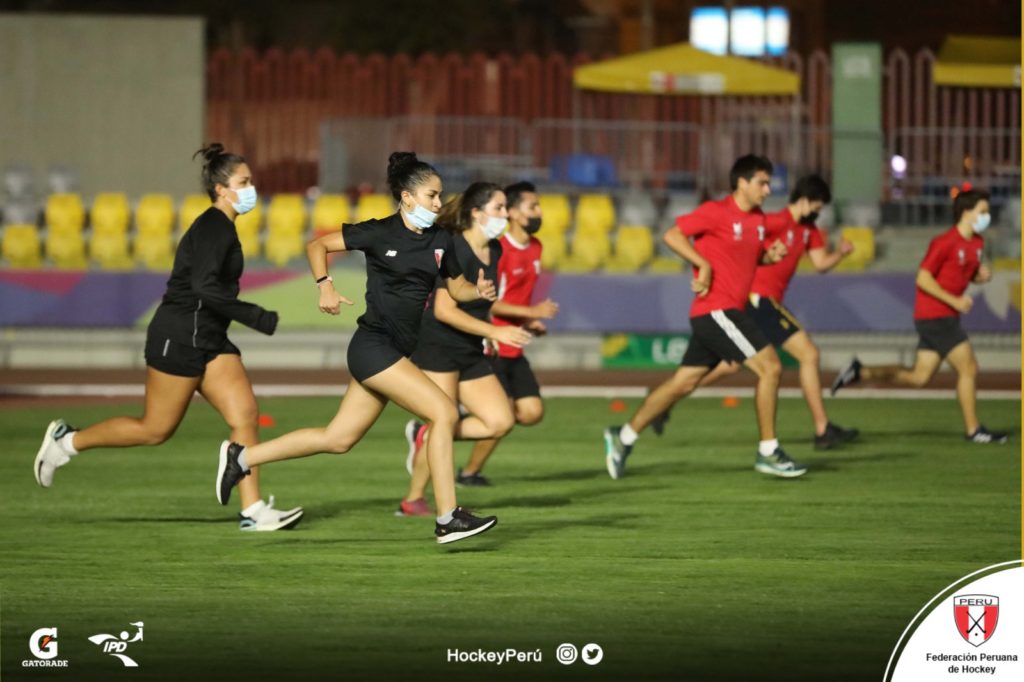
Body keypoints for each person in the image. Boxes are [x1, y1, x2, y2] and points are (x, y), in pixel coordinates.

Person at [213, 152, 501, 544]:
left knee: (338, 439)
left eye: (440, 196)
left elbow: (456, 287)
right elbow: (318, 246)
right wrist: (325, 285)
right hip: (373, 346)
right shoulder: (379, 232)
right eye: (432, 195)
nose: (438, 203)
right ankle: (448, 516)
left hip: (395, 351)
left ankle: (242, 457)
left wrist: (477, 290)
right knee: (443, 412)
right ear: (407, 197)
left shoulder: (440, 241)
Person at [33, 144, 302, 532]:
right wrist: (256, 316)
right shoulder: (213, 226)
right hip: (179, 336)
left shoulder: (224, 227)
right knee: (155, 430)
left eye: (250, 182)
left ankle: (253, 511)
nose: (250, 189)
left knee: (244, 414)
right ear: (221, 189)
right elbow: (205, 287)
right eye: (243, 182)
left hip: (209, 339)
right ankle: (66, 441)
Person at [603, 154, 808, 480]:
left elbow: (747, 262)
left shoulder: (757, 221)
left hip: (721, 312)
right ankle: (768, 451)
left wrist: (769, 257)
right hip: (717, 310)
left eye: (769, 183)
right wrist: (704, 264)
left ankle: (623, 437)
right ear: (742, 182)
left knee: (682, 383)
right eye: (762, 182)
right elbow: (671, 235)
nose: (768, 189)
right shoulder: (716, 212)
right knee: (770, 367)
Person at [658, 175, 859, 450]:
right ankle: (822, 429)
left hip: (762, 303)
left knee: (728, 365)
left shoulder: (809, 232)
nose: (818, 212)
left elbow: (821, 263)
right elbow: (744, 243)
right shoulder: (774, 222)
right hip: (758, 299)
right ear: (804, 201)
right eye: (817, 206)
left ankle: (664, 399)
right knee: (809, 354)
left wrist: (842, 254)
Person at [396, 182, 533, 516]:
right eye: (499, 208)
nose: (505, 214)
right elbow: (443, 310)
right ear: (476, 212)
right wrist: (494, 333)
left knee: (500, 421)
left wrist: (486, 335)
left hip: (470, 345)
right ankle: (413, 499)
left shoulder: (496, 249)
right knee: (445, 420)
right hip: (438, 344)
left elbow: (483, 299)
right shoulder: (453, 247)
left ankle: (425, 435)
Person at [831, 187, 1007, 444]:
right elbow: (923, 278)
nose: (986, 216)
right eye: (982, 212)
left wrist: (980, 277)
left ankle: (860, 372)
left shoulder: (977, 243)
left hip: (944, 315)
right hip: (935, 315)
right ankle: (974, 430)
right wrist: (955, 301)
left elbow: (959, 276)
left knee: (919, 377)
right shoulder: (944, 242)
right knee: (969, 368)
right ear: (966, 212)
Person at [453, 181, 559, 487]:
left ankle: (446, 431)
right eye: (532, 206)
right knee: (505, 418)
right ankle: (468, 470)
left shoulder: (536, 247)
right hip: (493, 343)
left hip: (516, 342)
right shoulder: (500, 249)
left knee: (531, 411)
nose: (538, 212)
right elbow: (491, 302)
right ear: (511, 213)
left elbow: (518, 296)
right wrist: (532, 313)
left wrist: (530, 323)